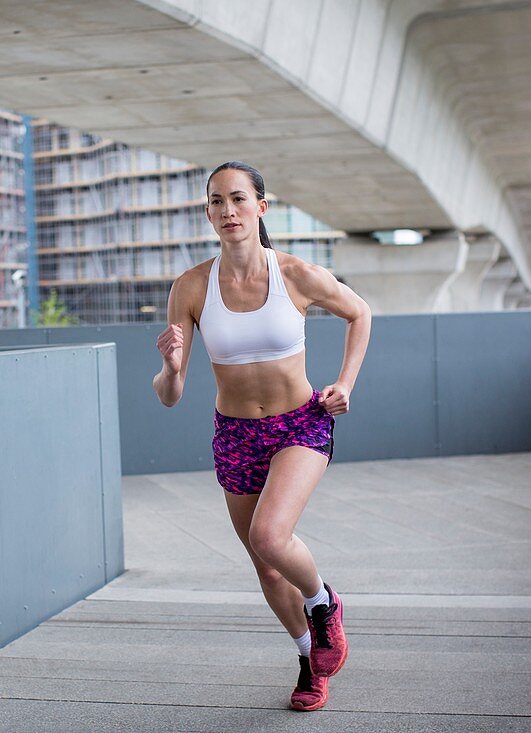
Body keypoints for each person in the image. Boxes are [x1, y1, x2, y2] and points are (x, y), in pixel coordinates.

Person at [152, 161, 371, 711]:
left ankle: (324, 604)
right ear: (208, 213)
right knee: (266, 564)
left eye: (238, 199)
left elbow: (359, 312)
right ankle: (309, 663)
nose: (228, 211)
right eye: (216, 202)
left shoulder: (295, 274)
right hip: (234, 435)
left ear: (261, 207)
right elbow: (169, 394)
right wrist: (173, 369)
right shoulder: (191, 287)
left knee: (271, 535)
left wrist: (344, 382)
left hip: (299, 422)